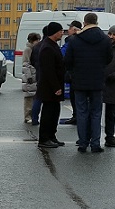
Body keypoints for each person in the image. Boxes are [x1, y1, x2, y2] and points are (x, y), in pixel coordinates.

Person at [63, 12, 112, 152]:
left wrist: (73, 72)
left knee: (82, 112)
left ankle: (83, 143)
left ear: (84, 23)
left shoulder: (74, 40)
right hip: (97, 81)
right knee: (96, 112)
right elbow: (109, 59)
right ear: (96, 22)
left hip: (79, 81)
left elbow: (67, 61)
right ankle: (95, 143)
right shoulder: (105, 40)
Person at [33, 21, 66, 149]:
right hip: (49, 88)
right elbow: (48, 70)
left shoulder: (52, 45)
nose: (62, 33)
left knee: (54, 112)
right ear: (54, 32)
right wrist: (56, 87)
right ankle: (44, 138)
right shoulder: (47, 47)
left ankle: (52, 136)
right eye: (60, 31)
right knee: (48, 113)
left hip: (54, 86)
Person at [58, 21, 82, 125]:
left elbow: (65, 56)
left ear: (76, 30)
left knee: (76, 97)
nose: (68, 30)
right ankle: (76, 116)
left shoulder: (73, 41)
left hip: (73, 73)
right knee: (73, 96)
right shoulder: (71, 41)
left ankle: (77, 116)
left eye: (71, 28)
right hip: (72, 73)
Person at [21, 32, 40, 125]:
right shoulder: (28, 49)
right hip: (30, 76)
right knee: (29, 97)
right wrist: (29, 76)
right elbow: (25, 64)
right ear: (32, 41)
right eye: (37, 40)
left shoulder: (34, 49)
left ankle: (32, 115)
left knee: (34, 96)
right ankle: (27, 116)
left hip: (33, 75)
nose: (38, 42)